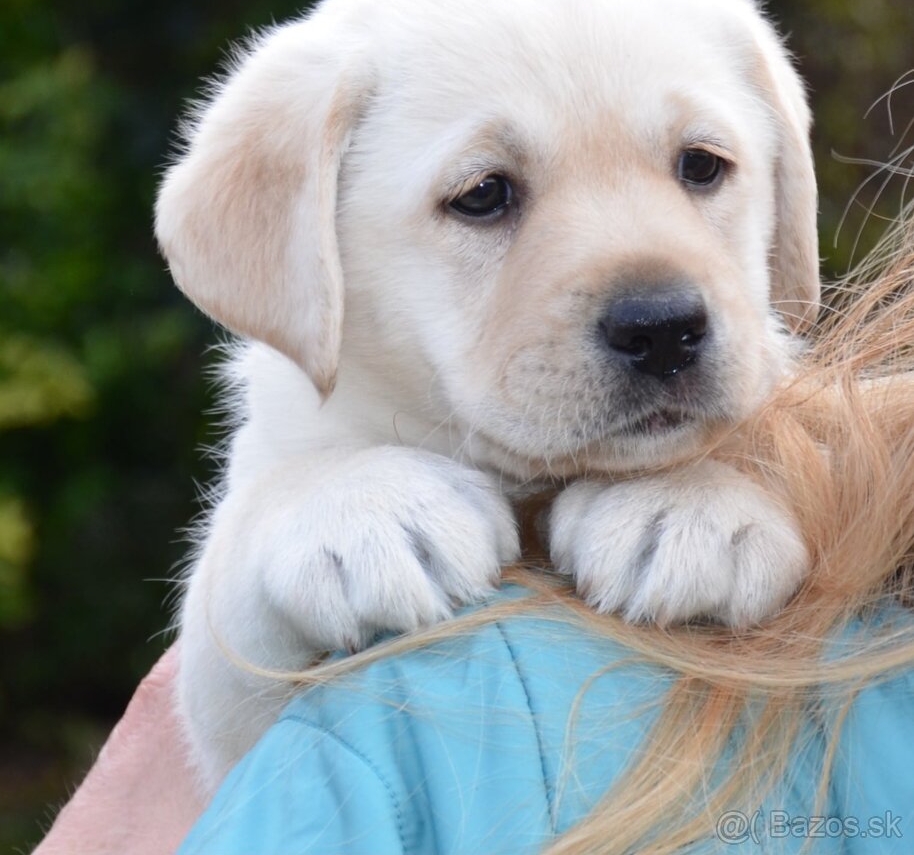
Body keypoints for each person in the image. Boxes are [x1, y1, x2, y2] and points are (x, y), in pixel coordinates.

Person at [35, 219, 914, 855]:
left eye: (700, 167)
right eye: (486, 196)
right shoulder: (430, 714)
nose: (653, 296)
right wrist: (295, 512)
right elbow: (220, 715)